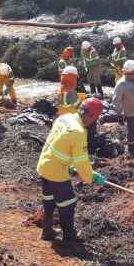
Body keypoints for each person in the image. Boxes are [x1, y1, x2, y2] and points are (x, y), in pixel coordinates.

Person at [36, 98, 107, 243]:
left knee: (49, 201)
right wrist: (90, 177)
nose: (94, 122)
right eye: (96, 118)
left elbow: (59, 144)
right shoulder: (79, 132)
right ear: (91, 116)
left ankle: (47, 231)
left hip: (44, 165)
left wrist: (69, 165)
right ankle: (69, 238)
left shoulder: (65, 118)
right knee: (68, 203)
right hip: (56, 172)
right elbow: (81, 161)